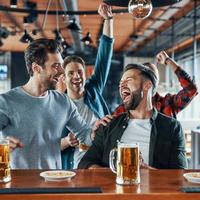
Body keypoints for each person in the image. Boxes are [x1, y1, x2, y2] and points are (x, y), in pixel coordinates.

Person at [0, 38, 92, 169]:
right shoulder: (6, 102)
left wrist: (101, 130)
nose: (62, 72)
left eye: (61, 65)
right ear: (36, 68)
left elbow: (85, 135)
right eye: (56, 66)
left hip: (54, 183)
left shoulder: (63, 101)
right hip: (18, 185)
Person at [78, 63, 187, 169]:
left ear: (147, 85)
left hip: (154, 188)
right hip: (113, 187)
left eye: (128, 80)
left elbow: (179, 175)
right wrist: (110, 174)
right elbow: (85, 163)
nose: (121, 85)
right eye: (120, 83)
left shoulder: (172, 128)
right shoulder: (109, 124)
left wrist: (149, 172)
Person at [57, 3, 114, 169]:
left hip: (101, 159)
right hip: (71, 166)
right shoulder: (58, 104)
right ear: (64, 77)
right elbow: (47, 146)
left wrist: (108, 21)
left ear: (85, 74)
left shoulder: (93, 89)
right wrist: (67, 141)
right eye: (71, 73)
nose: (76, 76)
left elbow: (104, 57)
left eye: (80, 72)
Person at [113, 51, 198, 118]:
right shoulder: (123, 110)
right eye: (148, 76)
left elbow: (191, 89)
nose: (151, 80)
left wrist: (168, 61)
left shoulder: (168, 103)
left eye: (154, 77)